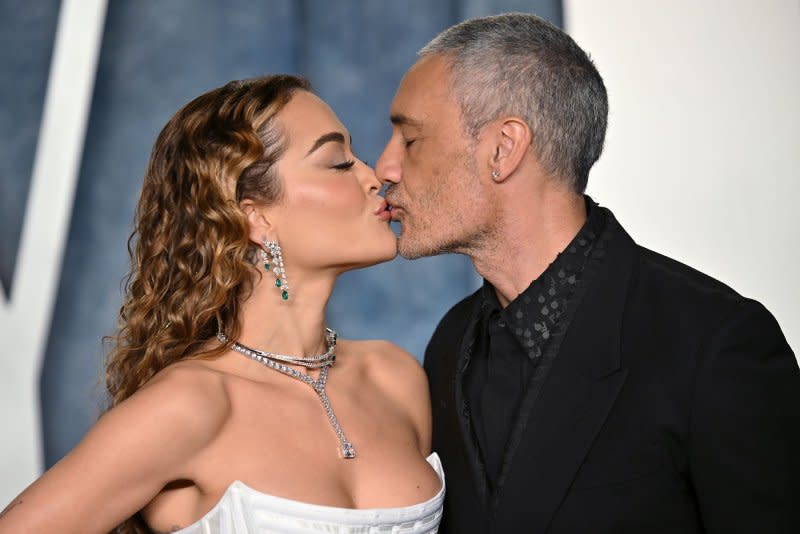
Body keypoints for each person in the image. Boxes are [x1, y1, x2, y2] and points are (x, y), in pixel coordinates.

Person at [376, 13, 800, 533]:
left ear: (503, 148)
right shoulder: (451, 343)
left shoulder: (714, 344)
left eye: (410, 139)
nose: (385, 168)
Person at [0, 75, 444, 534]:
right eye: (337, 163)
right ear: (254, 216)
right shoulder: (191, 404)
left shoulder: (396, 379)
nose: (376, 178)